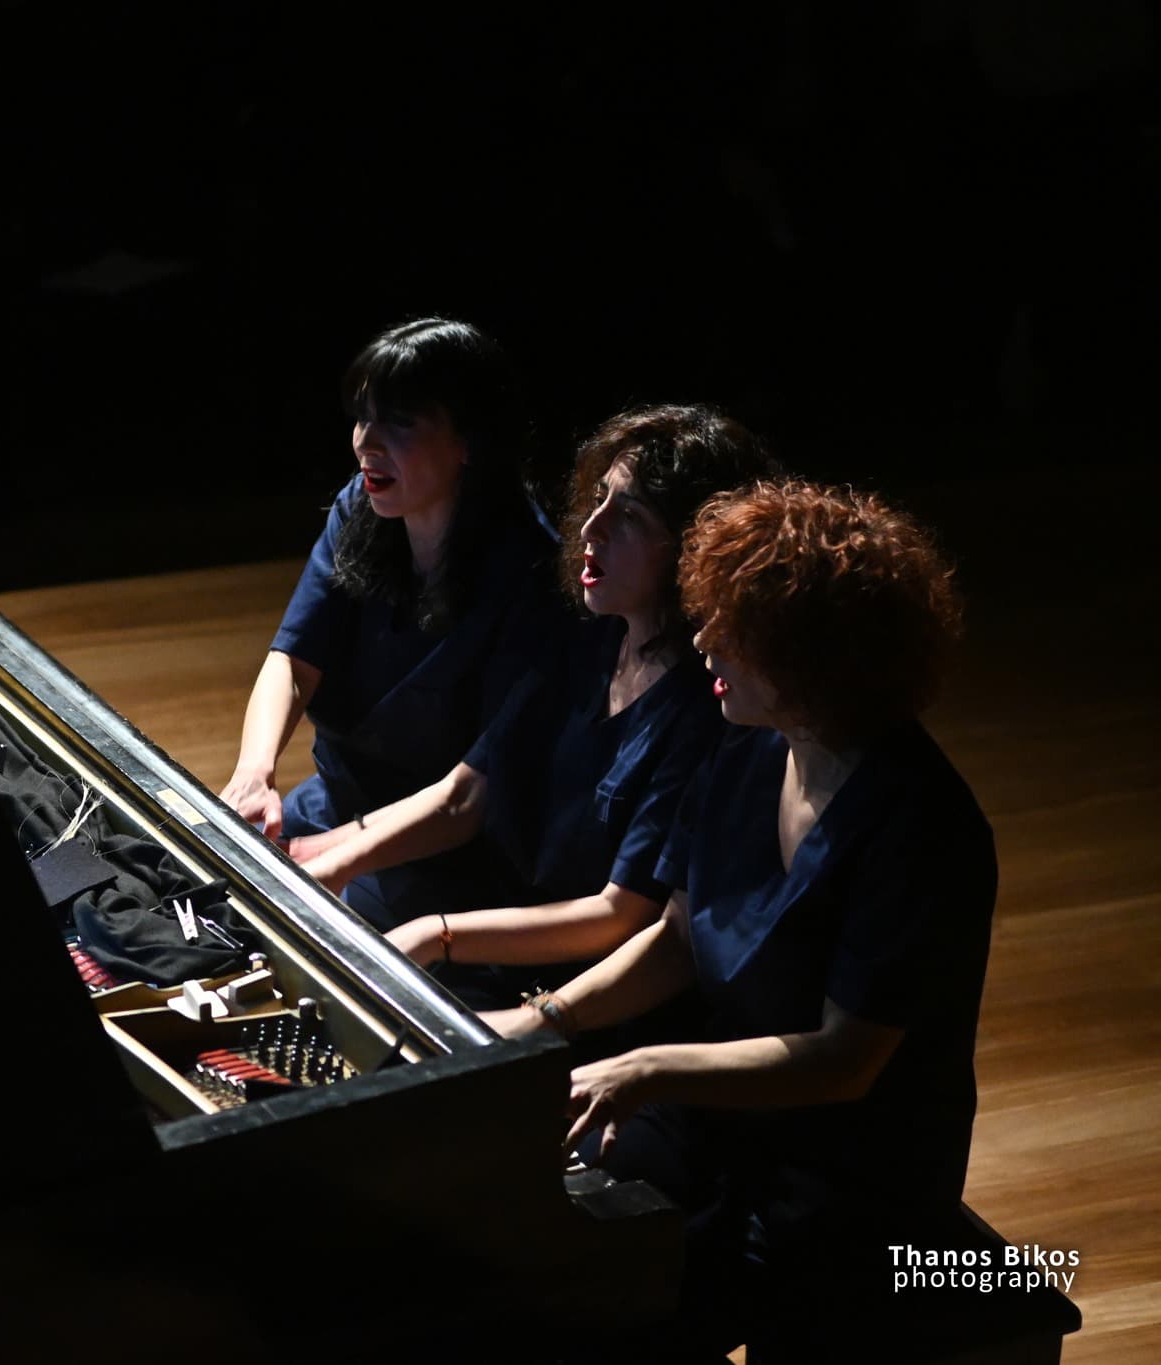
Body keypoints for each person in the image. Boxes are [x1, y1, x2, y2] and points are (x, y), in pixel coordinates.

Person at [484, 480, 989, 1357]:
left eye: (736, 628)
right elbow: (678, 937)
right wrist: (542, 1020)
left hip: (849, 1175)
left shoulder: (920, 826)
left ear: (813, 657)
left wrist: (643, 1068)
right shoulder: (748, 747)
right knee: (529, 1239)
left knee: (632, 1309)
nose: (704, 637)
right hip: (725, 1114)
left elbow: (844, 1061)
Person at [322, 406, 777, 1008]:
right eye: (600, 498)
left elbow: (618, 915)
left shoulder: (706, 705)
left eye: (630, 516)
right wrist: (330, 860)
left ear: (692, 547)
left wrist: (439, 934)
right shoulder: (586, 634)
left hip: (572, 977)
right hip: (494, 908)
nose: (592, 527)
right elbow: (465, 794)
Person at [219, 318, 564, 930]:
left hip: (444, 859)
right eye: (363, 417)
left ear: (470, 441)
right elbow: (294, 660)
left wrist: (338, 856)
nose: (365, 442)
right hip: (335, 808)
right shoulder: (361, 506)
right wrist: (254, 771)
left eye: (398, 422)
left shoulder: (532, 576)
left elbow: (466, 799)